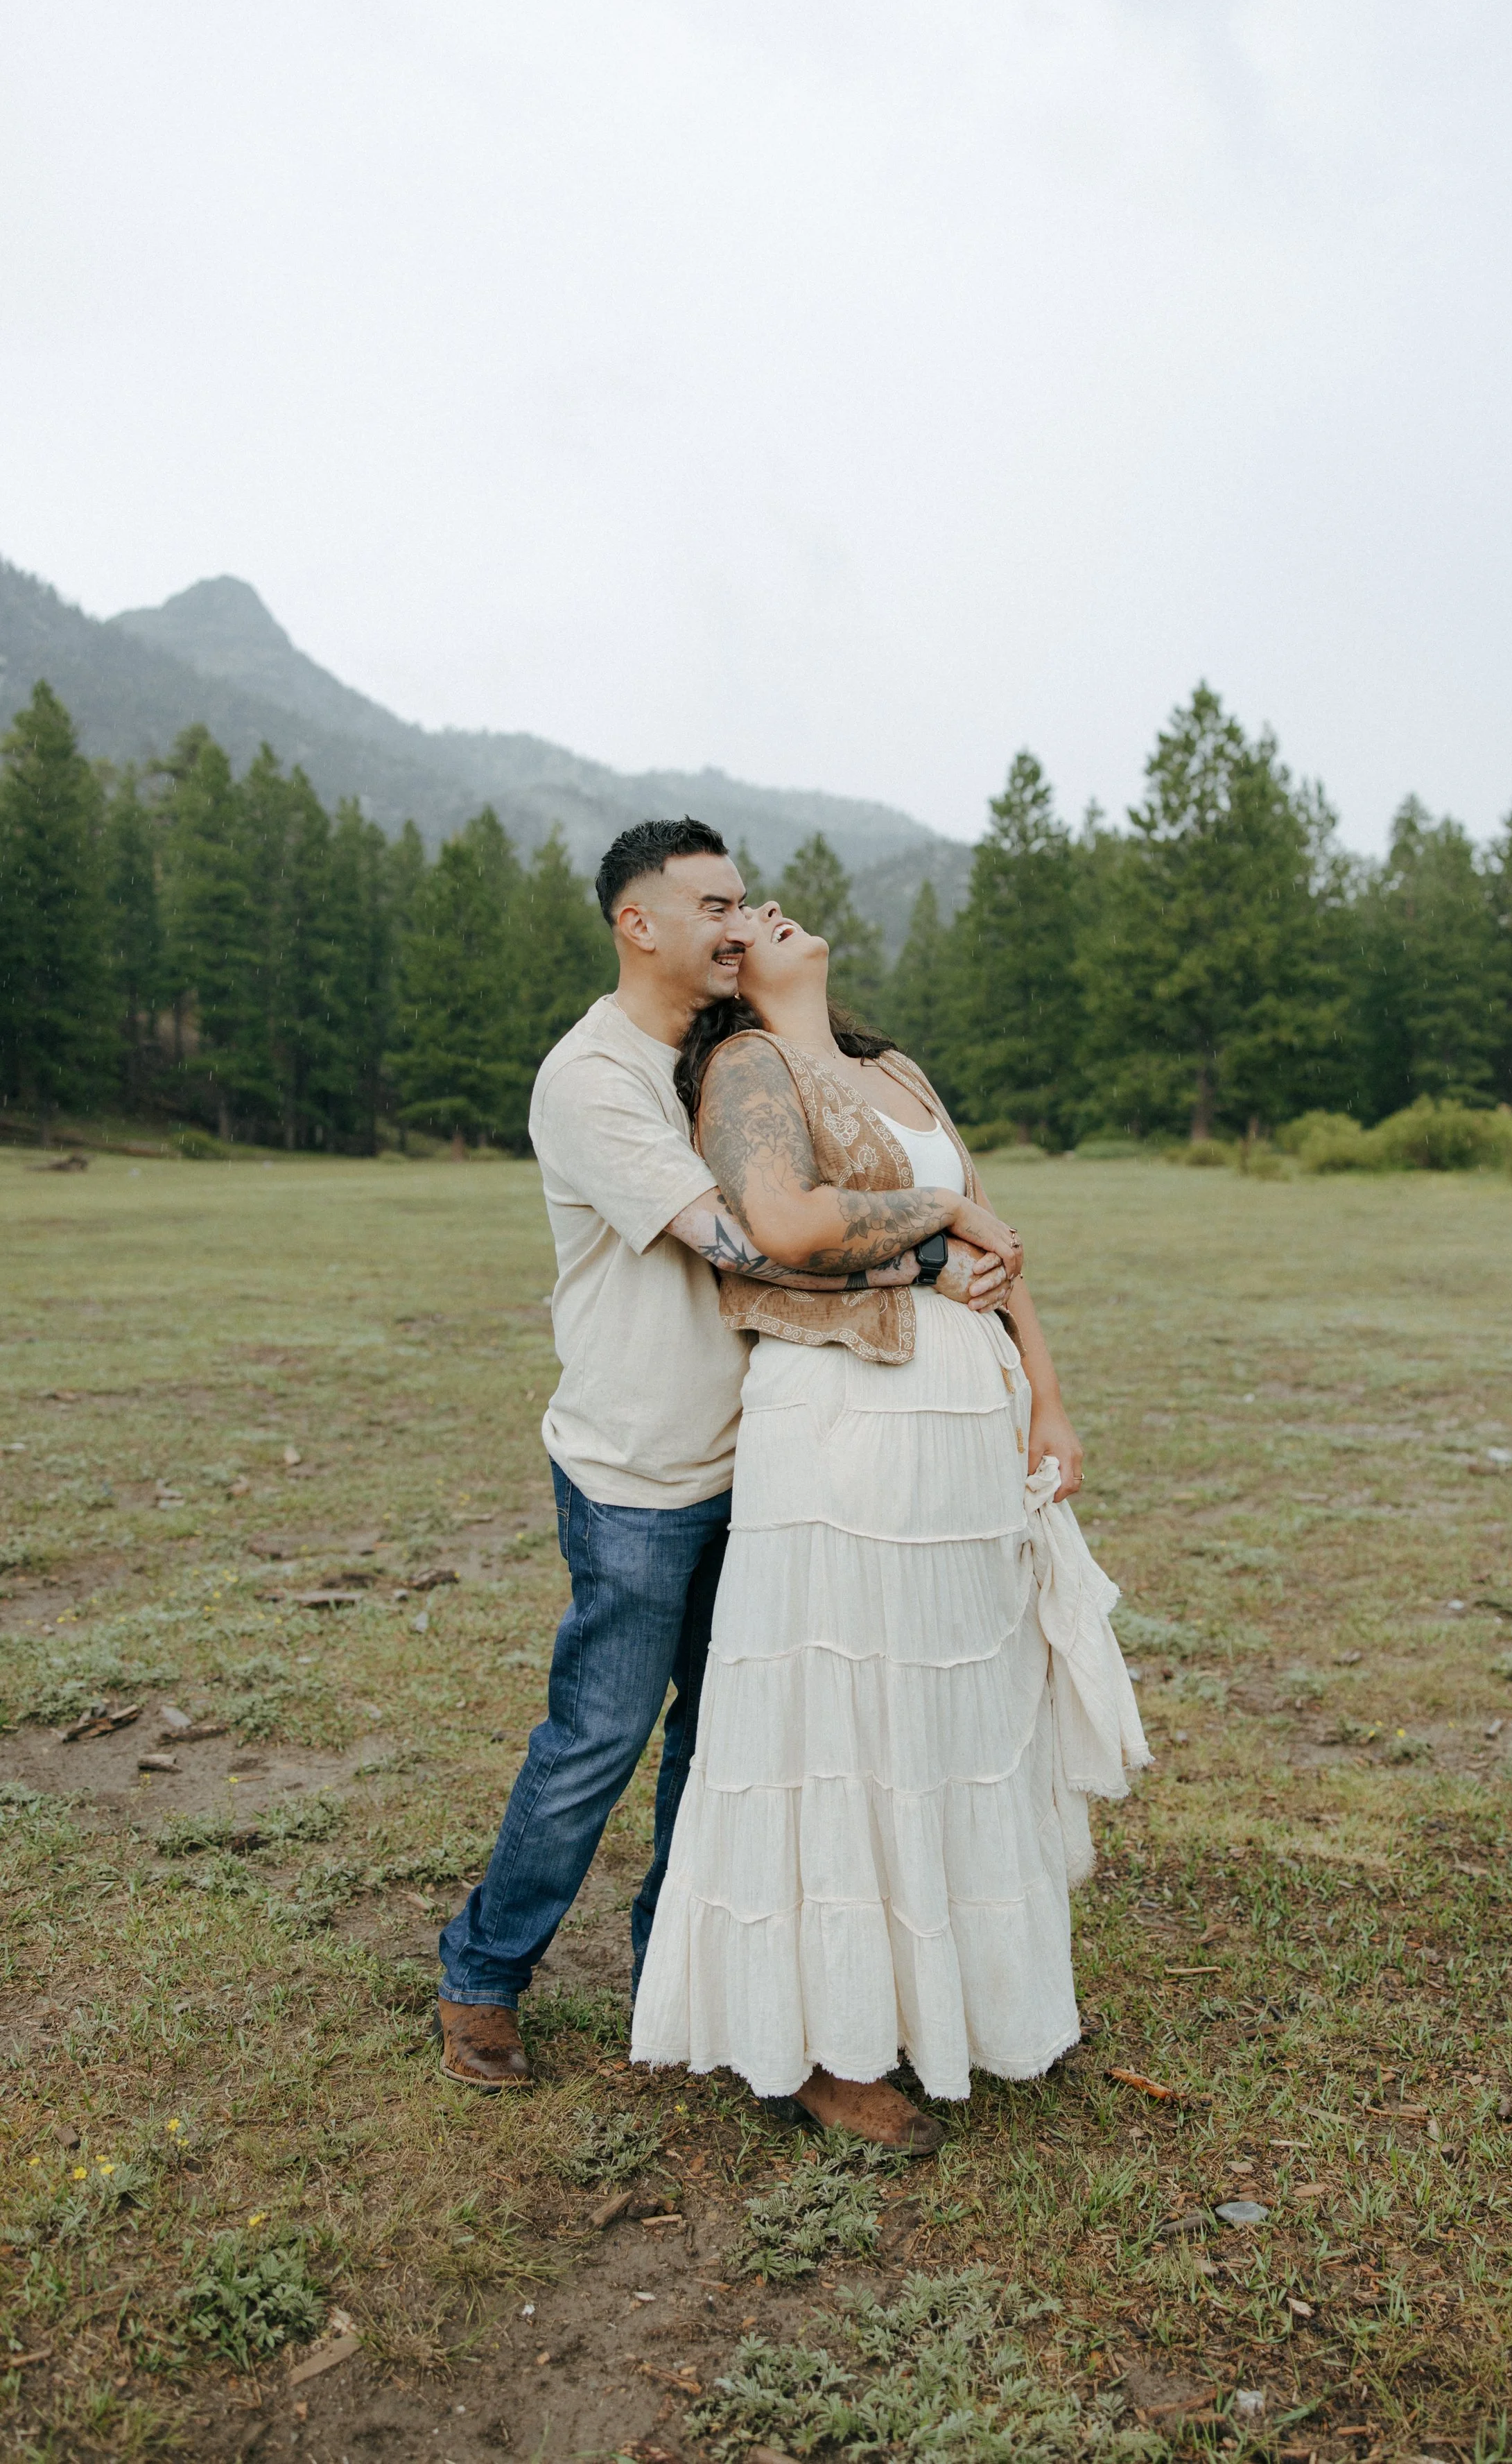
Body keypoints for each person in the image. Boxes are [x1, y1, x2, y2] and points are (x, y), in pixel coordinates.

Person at [435, 819, 1012, 2090]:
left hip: (773, 1458)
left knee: (729, 1741)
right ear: (637, 922)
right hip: (643, 1469)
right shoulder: (593, 1077)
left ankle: (671, 1973)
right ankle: (482, 1971)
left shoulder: (724, 1055)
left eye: (745, 903)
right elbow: (746, 1240)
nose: (738, 924)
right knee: (600, 1733)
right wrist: (932, 1238)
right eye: (713, 904)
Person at [630, 899, 1148, 2150]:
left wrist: (1052, 1398)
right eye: (743, 912)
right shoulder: (750, 1068)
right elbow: (793, 1222)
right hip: (844, 1424)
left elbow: (998, 1235)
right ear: (742, 972)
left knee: (950, 1707)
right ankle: (823, 2041)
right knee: (843, 1713)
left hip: (963, 1420)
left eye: (766, 901)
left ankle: (949, 2001)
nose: (765, 909)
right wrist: (942, 1222)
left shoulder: (894, 1070)